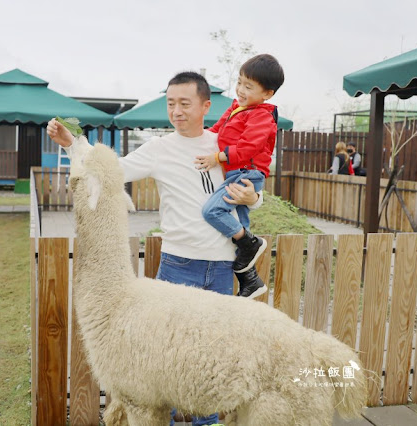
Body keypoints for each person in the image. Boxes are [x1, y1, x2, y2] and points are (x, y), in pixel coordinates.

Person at [47, 72, 261, 426]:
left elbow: (251, 188)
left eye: (184, 103)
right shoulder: (160, 149)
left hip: (222, 266)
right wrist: (73, 144)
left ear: (205, 106)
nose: (176, 111)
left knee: (209, 365)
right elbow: (110, 171)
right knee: (162, 367)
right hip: (178, 267)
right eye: (171, 103)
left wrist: (255, 198)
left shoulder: (224, 145)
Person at [194, 54, 284, 299]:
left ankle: (252, 242)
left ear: (267, 94)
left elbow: (247, 148)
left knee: (213, 212)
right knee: (240, 229)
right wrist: (196, 139)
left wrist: (217, 158)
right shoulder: (236, 107)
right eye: (240, 82)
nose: (241, 90)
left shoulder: (262, 116)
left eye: (249, 86)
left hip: (247, 172)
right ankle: (251, 281)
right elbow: (215, 131)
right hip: (237, 171)